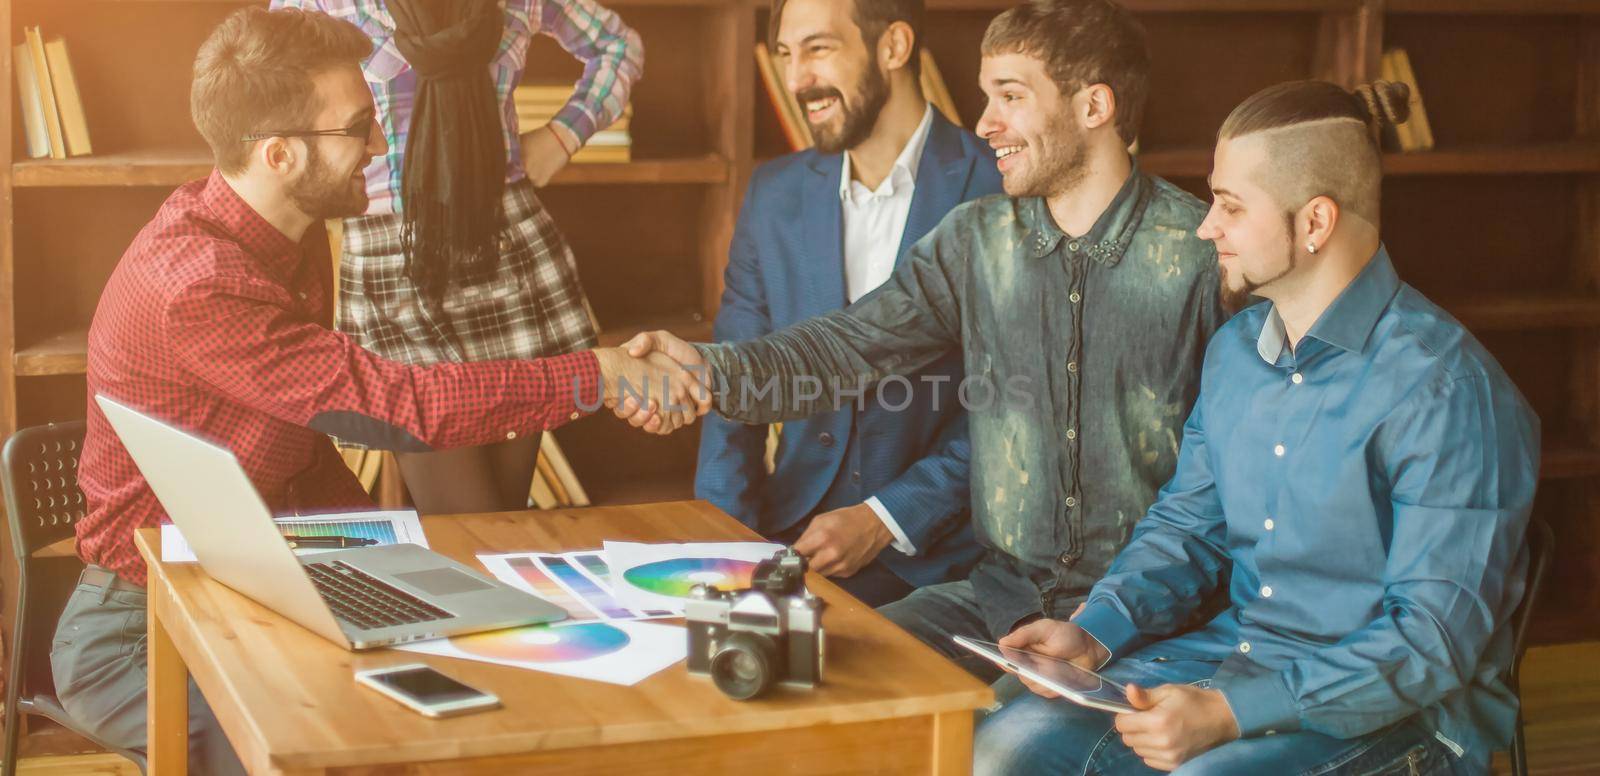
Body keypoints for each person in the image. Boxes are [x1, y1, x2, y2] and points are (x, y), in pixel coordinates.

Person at [51, 10, 695, 773]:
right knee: (326, 755)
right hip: (144, 625)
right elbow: (398, 407)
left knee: (473, 697)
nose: (385, 146)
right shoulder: (203, 282)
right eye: (359, 127)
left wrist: (396, 566)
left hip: (259, 575)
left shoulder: (282, 236)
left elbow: (298, 450)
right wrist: (598, 372)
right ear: (281, 154)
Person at [626, 0, 1227, 677]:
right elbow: (848, 347)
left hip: (1136, 620)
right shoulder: (975, 238)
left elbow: (1219, 490)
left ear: (1094, 108)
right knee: (825, 684)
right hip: (996, 601)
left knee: (983, 745)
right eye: (985, 97)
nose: (984, 123)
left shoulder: (1207, 258)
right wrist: (707, 372)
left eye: (1010, 96)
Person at [973, 80, 1539, 775]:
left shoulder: (1449, 391)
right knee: (998, 743)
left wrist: (1230, 714)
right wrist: (1093, 634)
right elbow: (1188, 526)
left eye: (1231, 207)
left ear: (1315, 223)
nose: (1207, 227)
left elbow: (1431, 645)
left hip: (1399, 713)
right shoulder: (1237, 350)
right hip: (1229, 659)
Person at [270, 0, 643, 514]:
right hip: (391, 259)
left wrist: (563, 135)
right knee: (468, 518)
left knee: (501, 519)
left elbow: (618, 45)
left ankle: (508, 592)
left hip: (502, 245)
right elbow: (271, 99)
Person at [695, 0, 1001, 607]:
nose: (795, 79)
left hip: (940, 560)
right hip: (787, 539)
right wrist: (723, 548)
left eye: (818, 48)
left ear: (892, 47)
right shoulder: (772, 193)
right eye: (786, 54)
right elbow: (737, 381)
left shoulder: (999, 187)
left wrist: (885, 518)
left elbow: (1014, 408)